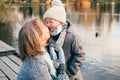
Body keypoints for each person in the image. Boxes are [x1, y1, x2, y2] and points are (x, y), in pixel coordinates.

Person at [43, 0, 86, 80]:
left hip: (72, 76)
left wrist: (70, 72)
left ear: (60, 22)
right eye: (46, 22)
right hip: (56, 76)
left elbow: (81, 55)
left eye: (50, 22)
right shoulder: (49, 36)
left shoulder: (72, 37)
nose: (48, 25)